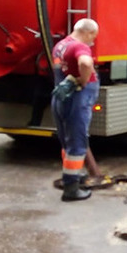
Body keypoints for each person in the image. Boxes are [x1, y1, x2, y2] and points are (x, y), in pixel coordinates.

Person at [51, 18, 100, 202]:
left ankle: (73, 175)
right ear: (87, 32)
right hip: (77, 101)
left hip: (61, 99)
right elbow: (86, 63)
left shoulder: (61, 45)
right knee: (78, 143)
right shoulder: (80, 47)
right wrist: (83, 80)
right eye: (93, 37)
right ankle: (71, 189)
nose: (92, 42)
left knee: (67, 142)